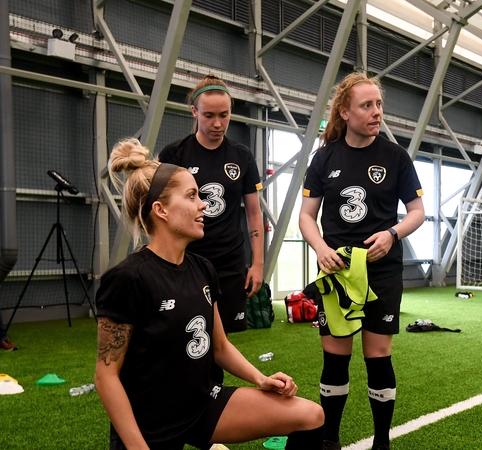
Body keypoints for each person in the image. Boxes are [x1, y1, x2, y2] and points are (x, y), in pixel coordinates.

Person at [95, 138, 323, 450]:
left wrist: (261, 379)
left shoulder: (203, 269)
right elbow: (106, 377)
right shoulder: (129, 278)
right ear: (161, 210)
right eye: (192, 196)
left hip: (201, 404)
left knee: (310, 415)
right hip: (151, 424)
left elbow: (220, 346)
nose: (203, 204)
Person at [299, 72, 425, 450]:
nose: (376, 112)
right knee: (335, 359)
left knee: (378, 357)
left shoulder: (395, 156)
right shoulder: (324, 158)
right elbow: (306, 216)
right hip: (338, 272)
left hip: (382, 272)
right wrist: (321, 249)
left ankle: (381, 442)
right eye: (367, 105)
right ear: (345, 112)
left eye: (379, 104)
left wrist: (392, 234)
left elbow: (417, 211)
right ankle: (329, 441)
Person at [158, 74, 264, 335]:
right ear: (195, 112)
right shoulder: (174, 154)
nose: (218, 123)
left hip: (229, 263)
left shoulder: (242, 156)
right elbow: (161, 212)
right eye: (209, 115)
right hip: (187, 261)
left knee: (223, 339)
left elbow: (254, 212)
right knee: (186, 335)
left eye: (224, 115)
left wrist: (258, 264)